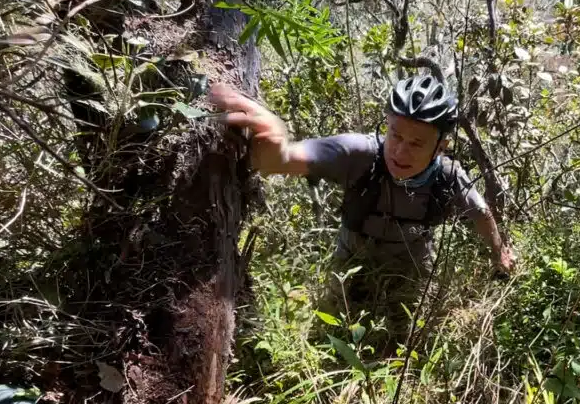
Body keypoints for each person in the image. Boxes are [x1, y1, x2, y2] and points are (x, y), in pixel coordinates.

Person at [210, 75, 514, 332]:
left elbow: (481, 213)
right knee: (332, 331)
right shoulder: (359, 154)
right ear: (386, 125)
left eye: (417, 144)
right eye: (395, 135)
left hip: (411, 265)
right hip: (351, 258)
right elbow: (286, 160)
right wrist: (276, 146)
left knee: (403, 334)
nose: (400, 152)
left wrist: (499, 252)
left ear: (440, 147)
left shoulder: (448, 177)